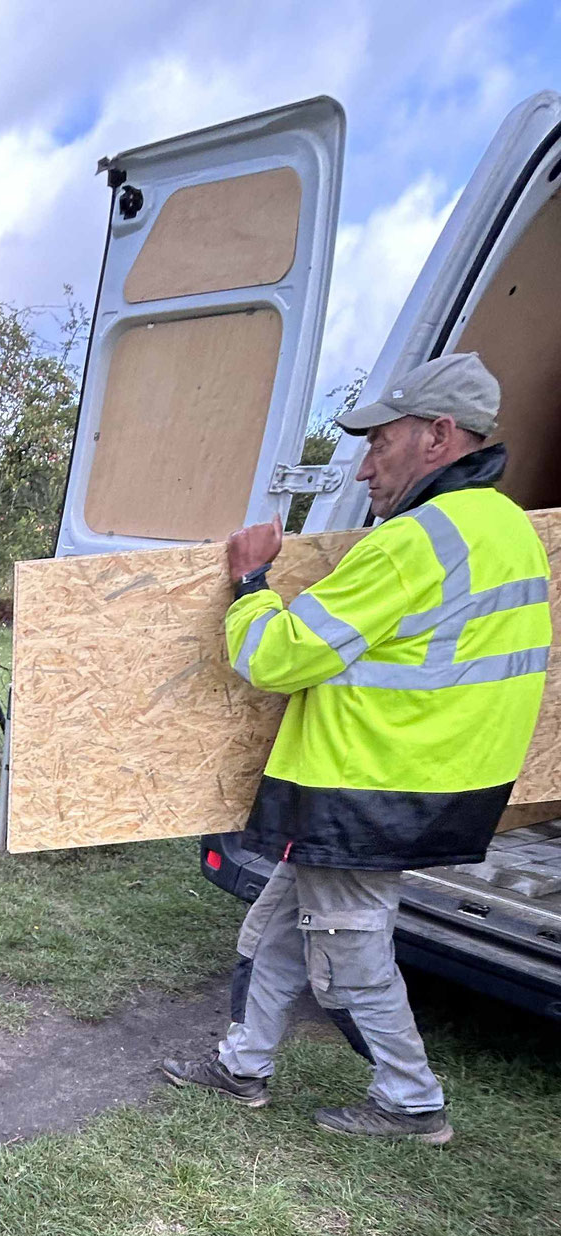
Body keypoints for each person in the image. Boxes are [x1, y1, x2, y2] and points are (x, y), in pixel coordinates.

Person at [161, 353, 552, 1142]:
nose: (367, 465)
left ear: (439, 435)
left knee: (346, 958)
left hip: (367, 786)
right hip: (422, 778)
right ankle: (243, 1065)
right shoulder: (506, 529)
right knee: (272, 929)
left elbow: (279, 657)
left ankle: (411, 1101)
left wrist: (249, 585)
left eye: (381, 443)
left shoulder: (418, 539)